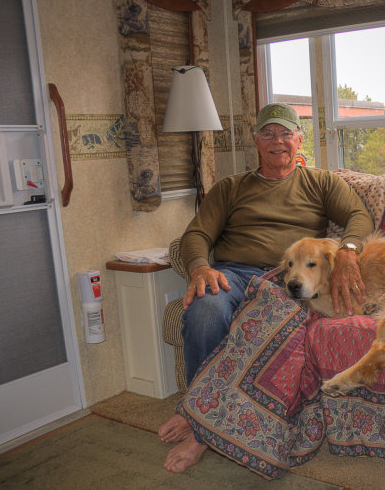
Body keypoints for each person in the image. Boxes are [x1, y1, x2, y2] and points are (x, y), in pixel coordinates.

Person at [159, 102, 373, 472]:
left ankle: (228, 425)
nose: (278, 142)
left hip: (287, 278)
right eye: (269, 134)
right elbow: (196, 233)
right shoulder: (231, 187)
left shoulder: (320, 182)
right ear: (256, 141)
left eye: (286, 133)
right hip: (235, 274)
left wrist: (350, 251)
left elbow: (358, 216)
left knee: (275, 328)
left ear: (299, 140)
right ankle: (200, 419)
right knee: (205, 311)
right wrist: (199, 267)